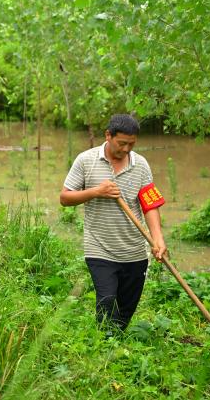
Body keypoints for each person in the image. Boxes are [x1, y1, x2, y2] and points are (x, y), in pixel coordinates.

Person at [59, 114, 168, 331]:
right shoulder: (86, 160)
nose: (126, 149)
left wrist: (158, 239)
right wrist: (96, 192)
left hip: (134, 251)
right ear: (108, 136)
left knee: (126, 309)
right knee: (107, 301)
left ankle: (115, 345)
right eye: (122, 143)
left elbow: (150, 205)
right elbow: (65, 198)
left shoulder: (141, 165)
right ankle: (103, 347)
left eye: (131, 144)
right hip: (99, 248)